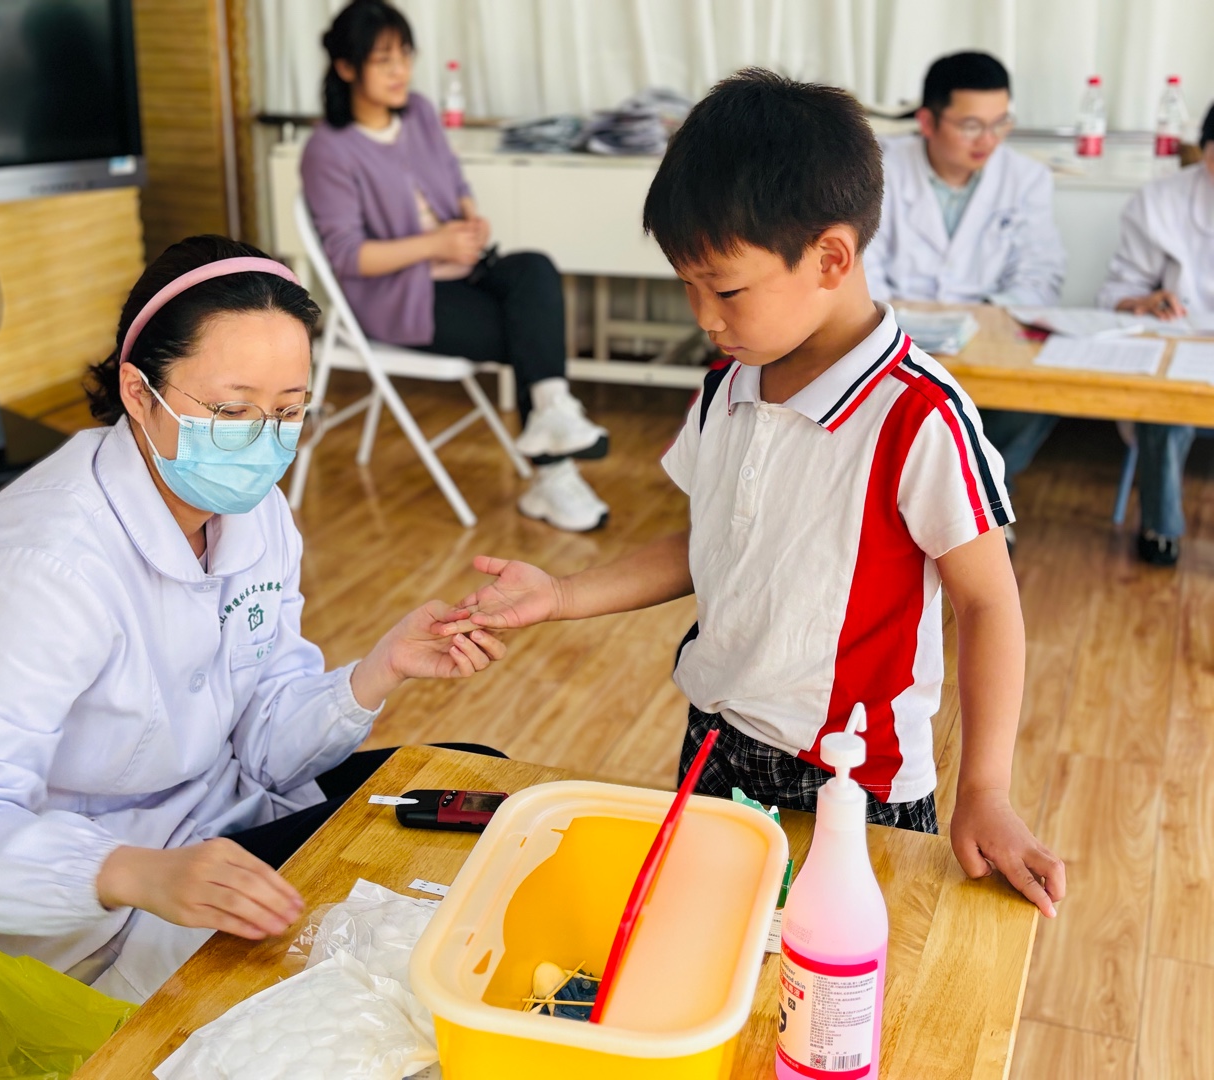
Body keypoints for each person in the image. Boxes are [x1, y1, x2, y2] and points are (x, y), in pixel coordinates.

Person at [443, 71, 1066, 917]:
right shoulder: (728, 386)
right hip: (715, 740)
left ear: (831, 258)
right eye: (688, 286)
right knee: (703, 936)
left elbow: (989, 603)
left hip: (849, 778)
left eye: (726, 289)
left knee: (827, 969)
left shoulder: (918, 416)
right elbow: (707, 541)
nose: (704, 316)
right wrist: (560, 594)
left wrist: (985, 789)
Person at [0, 236, 507, 1004]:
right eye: (230, 410)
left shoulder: (255, 515)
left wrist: (378, 670)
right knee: (401, 948)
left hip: (222, 828)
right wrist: (135, 874)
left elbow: (265, 748)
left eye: (288, 411)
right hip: (110, 903)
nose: (264, 440)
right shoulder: (41, 568)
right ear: (138, 391)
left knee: (474, 783)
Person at [300, 0, 610, 533]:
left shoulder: (419, 112)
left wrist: (469, 218)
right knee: (528, 331)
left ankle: (552, 414)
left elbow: (454, 179)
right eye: (383, 60)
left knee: (535, 268)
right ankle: (554, 473)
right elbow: (348, 255)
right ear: (346, 67)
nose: (401, 71)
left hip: (461, 267)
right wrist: (435, 244)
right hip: (398, 298)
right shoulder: (327, 151)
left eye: (405, 56)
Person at [864, 52, 1067, 546]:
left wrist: (979, 323)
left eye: (1000, 124)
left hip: (990, 333)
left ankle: (980, 499)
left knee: (1041, 393)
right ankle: (935, 510)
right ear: (927, 121)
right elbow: (861, 269)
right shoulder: (876, 169)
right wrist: (913, 326)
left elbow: (1040, 273)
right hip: (897, 335)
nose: (988, 140)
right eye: (971, 125)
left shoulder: (1026, 179)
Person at [1095, 103, 1214, 566]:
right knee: (1167, 401)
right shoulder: (1161, 202)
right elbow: (1117, 291)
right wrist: (1143, 301)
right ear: (1204, 152)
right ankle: (1161, 527)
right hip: (1180, 343)